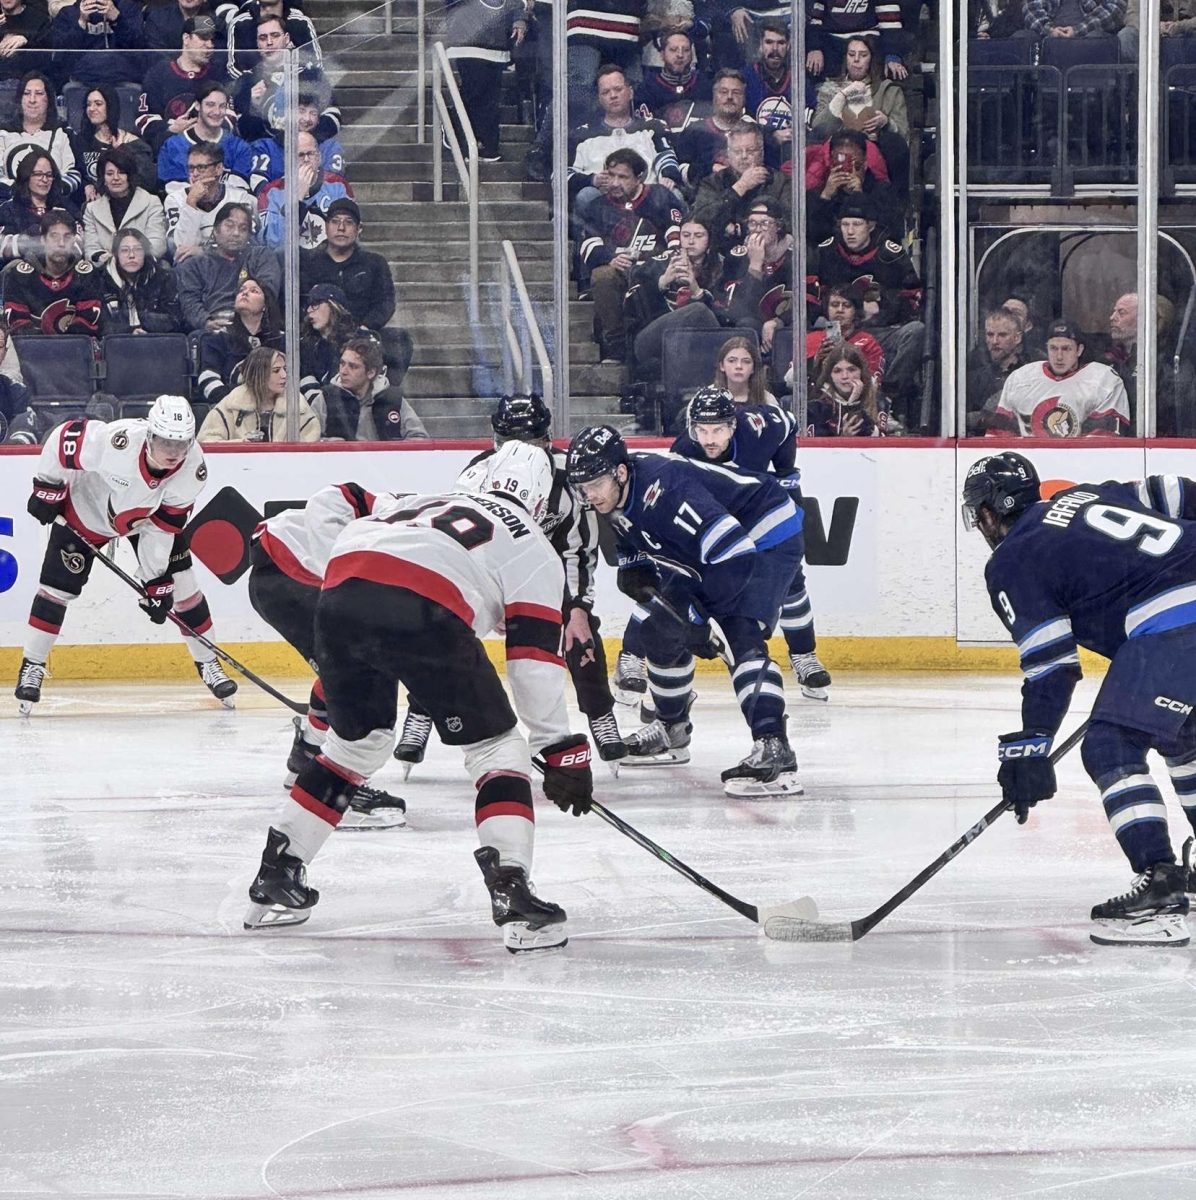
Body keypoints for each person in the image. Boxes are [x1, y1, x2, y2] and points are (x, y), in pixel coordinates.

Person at [243, 441, 592, 954]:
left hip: (339, 593)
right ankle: (514, 894)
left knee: (356, 744)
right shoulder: (535, 546)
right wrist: (560, 750)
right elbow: (534, 665)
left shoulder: (420, 501)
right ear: (542, 503)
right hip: (422, 609)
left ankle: (278, 872)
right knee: (497, 749)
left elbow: (337, 501)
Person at [961, 451, 1196, 946]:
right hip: (1177, 612)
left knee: (1111, 743)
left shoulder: (1012, 558)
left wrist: (1031, 747)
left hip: (1177, 617)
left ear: (987, 513)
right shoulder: (1084, 494)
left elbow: (1052, 668)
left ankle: (1160, 886)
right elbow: (1173, 489)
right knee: (1183, 738)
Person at [566, 424, 805, 795]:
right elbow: (635, 537)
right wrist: (633, 569)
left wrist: (698, 618)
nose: (588, 495)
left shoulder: (665, 491)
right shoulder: (614, 493)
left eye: (595, 484)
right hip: (716, 548)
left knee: (739, 631)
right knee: (658, 632)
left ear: (621, 473)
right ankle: (671, 730)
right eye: (583, 487)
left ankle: (774, 746)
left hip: (764, 532)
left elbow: (735, 552)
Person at [397, 392, 626, 770]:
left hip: (545, 568)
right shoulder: (475, 476)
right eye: (509, 443)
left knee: (580, 632)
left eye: (531, 443)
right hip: (490, 566)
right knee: (444, 630)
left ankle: (600, 714)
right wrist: (489, 595)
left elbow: (577, 551)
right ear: (495, 442)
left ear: (547, 440)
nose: (521, 453)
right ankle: (420, 712)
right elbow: (462, 550)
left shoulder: (570, 479)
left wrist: (578, 608)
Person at [15, 395, 238, 713]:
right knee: (56, 590)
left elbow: (162, 529)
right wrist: (47, 487)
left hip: (145, 522)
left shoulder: (193, 470)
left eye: (181, 443)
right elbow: (63, 438)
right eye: (165, 442)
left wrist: (154, 581)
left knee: (184, 588)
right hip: (84, 513)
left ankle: (209, 663)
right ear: (149, 435)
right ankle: (32, 665)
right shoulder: (117, 442)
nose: (174, 453)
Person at [247, 482, 410, 828]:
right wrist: (341, 583)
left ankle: (308, 757)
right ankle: (338, 791)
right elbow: (329, 501)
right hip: (285, 572)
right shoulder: (402, 517)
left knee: (349, 668)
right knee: (361, 674)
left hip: (286, 578)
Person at [671, 385, 833, 699]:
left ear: (733, 425)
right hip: (719, 515)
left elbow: (788, 425)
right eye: (701, 430)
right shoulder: (683, 453)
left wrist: (786, 472)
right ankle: (658, 668)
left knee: (791, 581)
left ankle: (804, 655)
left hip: (763, 509)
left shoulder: (760, 428)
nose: (709, 439)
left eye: (717, 429)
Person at [574, 147, 688, 362]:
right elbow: (588, 244)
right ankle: (615, 346)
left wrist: (665, 259)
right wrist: (609, 258)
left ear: (639, 177)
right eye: (611, 175)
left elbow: (676, 231)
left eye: (623, 177)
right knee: (602, 276)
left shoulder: (659, 196)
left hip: (657, 267)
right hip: (621, 268)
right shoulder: (596, 206)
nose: (615, 183)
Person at [625, 215, 727, 386]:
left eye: (698, 236)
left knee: (700, 313)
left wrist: (697, 291)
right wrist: (661, 282)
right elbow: (631, 308)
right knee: (698, 310)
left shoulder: (721, 267)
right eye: (686, 235)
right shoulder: (658, 264)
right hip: (650, 340)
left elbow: (725, 316)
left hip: (697, 346)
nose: (691, 241)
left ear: (709, 240)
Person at [989, 319, 1130, 437]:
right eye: (1054, 348)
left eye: (1066, 348)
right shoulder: (1020, 378)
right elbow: (999, 434)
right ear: (1046, 348)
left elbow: (1105, 440)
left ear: (1079, 350)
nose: (1059, 356)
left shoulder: (1103, 380)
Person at [567, 64, 684, 204]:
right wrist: (592, 180)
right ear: (599, 99)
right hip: (603, 206)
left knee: (674, 195)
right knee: (586, 195)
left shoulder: (653, 127)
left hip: (647, 200)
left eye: (618, 89)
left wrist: (668, 176)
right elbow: (562, 175)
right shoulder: (582, 134)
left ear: (630, 92)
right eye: (605, 92)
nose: (613, 96)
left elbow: (666, 157)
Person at [810, 36, 910, 198]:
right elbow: (819, 128)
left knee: (893, 144)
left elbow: (904, 136)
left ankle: (893, 203)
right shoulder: (829, 89)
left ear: (871, 59)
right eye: (851, 54)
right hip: (836, 154)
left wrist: (886, 123)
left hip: (875, 158)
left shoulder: (890, 91)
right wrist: (842, 96)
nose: (856, 60)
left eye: (863, 55)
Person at [175, 199, 280, 331]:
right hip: (212, 327)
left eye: (243, 229)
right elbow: (190, 301)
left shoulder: (261, 256)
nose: (236, 233)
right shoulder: (195, 264)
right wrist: (206, 322)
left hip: (255, 325)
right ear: (215, 231)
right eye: (229, 226)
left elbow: (267, 293)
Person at [444, 0, 526, 163]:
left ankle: (487, 145)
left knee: (490, 99)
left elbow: (516, 4)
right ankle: (455, 127)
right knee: (474, 91)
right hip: (468, 40)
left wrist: (519, 20)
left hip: (496, 44)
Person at [298, 197, 395, 331]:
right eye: (335, 221)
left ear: (359, 228)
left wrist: (365, 328)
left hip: (360, 336)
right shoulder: (309, 263)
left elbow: (385, 303)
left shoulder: (374, 264)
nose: (341, 228)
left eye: (348, 222)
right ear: (326, 226)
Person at [691, 123, 790, 254]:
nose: (744, 156)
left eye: (750, 150)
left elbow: (788, 223)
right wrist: (740, 187)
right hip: (723, 257)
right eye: (737, 151)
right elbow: (702, 220)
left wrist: (738, 229)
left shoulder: (780, 182)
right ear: (728, 154)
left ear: (761, 152)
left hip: (771, 254)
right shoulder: (713, 182)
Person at [137, 13, 228, 152]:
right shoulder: (158, 73)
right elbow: (143, 117)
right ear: (186, 38)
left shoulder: (219, 73)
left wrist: (204, 128)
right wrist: (171, 128)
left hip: (212, 150)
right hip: (169, 150)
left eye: (212, 40)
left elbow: (231, 115)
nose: (209, 45)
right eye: (203, 38)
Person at [3, 208, 100, 334]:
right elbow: (18, 324)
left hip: (74, 351)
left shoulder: (86, 274)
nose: (61, 243)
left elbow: (87, 324)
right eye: (54, 236)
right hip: (30, 351)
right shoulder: (19, 275)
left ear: (74, 240)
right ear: (43, 239)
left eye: (67, 237)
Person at [197, 344, 319, 441]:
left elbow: (311, 438)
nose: (284, 376)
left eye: (285, 370)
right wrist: (239, 446)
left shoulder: (297, 404)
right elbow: (207, 440)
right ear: (258, 375)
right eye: (276, 371)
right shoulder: (231, 404)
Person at [255, 128, 352, 249]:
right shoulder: (271, 193)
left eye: (310, 154)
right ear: (287, 160)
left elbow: (349, 235)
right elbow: (274, 244)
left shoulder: (338, 186)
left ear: (319, 158)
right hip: (288, 265)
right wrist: (297, 199)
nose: (306, 160)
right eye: (300, 155)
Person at [156, 81, 258, 195]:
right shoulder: (172, 146)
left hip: (226, 211)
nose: (217, 112)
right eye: (210, 105)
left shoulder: (240, 148)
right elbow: (174, 197)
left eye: (222, 106)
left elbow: (238, 196)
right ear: (197, 105)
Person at [319, 336, 427, 441]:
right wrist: (325, 443)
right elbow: (306, 438)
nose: (343, 371)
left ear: (371, 372)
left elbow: (419, 438)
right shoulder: (325, 398)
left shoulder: (392, 400)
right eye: (342, 364)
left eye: (353, 366)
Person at [804, 127, 902, 242]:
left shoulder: (883, 191)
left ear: (865, 163)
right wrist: (825, 197)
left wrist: (859, 197)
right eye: (840, 162)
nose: (846, 170)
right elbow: (814, 238)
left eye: (853, 162)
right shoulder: (818, 192)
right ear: (831, 162)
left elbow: (891, 234)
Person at [195, 273, 280, 403]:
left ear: (265, 305)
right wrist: (232, 403)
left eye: (254, 291)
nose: (245, 293)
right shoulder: (217, 339)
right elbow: (207, 378)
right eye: (241, 290)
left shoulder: (279, 340)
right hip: (230, 410)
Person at [163, 141, 253, 260]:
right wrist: (191, 203)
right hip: (193, 267)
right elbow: (180, 249)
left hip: (232, 265)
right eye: (191, 168)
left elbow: (245, 244)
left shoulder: (240, 198)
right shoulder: (175, 199)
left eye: (201, 168)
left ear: (219, 169)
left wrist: (204, 251)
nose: (194, 174)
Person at [82, 146, 166, 265]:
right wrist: (112, 261)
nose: (116, 178)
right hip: (106, 270)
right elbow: (91, 250)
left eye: (121, 173)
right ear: (103, 179)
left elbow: (158, 245)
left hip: (142, 267)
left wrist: (128, 258)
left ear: (130, 176)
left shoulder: (151, 202)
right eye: (110, 173)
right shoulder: (92, 209)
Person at [0, 72, 80, 196]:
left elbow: (74, 173)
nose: (32, 100)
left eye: (39, 94)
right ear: (20, 99)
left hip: (54, 204)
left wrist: (50, 191)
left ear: (48, 100)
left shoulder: (63, 132)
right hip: (9, 205)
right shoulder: (3, 132)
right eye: (27, 94)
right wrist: (20, 191)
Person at [74, 85, 154, 202]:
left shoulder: (133, 143)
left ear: (110, 107)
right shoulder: (81, 141)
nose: (92, 108)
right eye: (89, 104)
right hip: (92, 204)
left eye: (98, 104)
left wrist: (122, 151)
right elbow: (77, 172)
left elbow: (148, 181)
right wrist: (86, 185)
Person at [98, 226, 181, 333]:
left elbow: (174, 320)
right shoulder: (100, 279)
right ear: (115, 254)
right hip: (115, 343)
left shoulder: (163, 277)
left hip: (155, 341)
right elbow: (100, 324)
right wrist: (129, 331)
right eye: (124, 250)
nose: (131, 255)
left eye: (138, 249)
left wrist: (142, 323)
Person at [51, 0, 147, 91]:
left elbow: (140, 49)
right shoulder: (67, 13)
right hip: (80, 81)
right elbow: (61, 58)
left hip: (124, 81)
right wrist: (81, 23)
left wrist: (118, 19)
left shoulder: (129, 9)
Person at [805, 282, 885, 390]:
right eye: (834, 305)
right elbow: (790, 381)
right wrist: (815, 361)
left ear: (855, 310)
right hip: (816, 400)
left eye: (846, 305)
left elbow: (874, 383)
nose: (839, 310)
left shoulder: (868, 342)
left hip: (855, 400)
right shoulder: (810, 339)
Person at [0, 151, 76, 260]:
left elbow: (80, 242)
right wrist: (29, 238)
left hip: (61, 267)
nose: (44, 180)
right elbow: (2, 246)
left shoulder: (65, 206)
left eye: (49, 175)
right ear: (26, 176)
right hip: (20, 270)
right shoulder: (8, 209)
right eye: (38, 174)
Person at [965, 305, 1029, 435]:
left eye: (1002, 335)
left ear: (1017, 338)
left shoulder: (1030, 375)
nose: (994, 341)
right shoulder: (974, 379)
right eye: (990, 334)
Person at [806, 0, 907, 80]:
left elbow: (890, 19)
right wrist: (815, 47)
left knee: (887, 74)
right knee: (815, 70)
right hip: (832, 44)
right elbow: (814, 19)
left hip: (869, 40)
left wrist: (892, 55)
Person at [634, 29, 711, 128]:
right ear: (662, 54)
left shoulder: (704, 85)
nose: (680, 55)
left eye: (686, 50)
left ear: (692, 54)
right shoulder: (646, 89)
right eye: (673, 49)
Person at [807, 342, 889, 435]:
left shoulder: (878, 400)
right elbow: (814, 448)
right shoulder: (816, 406)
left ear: (861, 372)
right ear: (829, 375)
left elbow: (881, 442)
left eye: (851, 370)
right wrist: (843, 440)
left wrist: (854, 404)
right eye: (837, 371)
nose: (845, 376)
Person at [714, 333, 775, 405]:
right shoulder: (707, 398)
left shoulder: (767, 400)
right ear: (722, 366)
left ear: (753, 368)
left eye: (746, 361)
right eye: (732, 361)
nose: (739, 366)